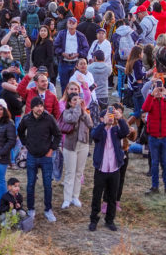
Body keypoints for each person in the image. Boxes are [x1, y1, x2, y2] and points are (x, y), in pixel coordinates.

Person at [17, 97, 62, 223]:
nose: (39, 108)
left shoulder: (49, 119)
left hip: (46, 157)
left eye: (41, 106)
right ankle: (31, 209)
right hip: (31, 156)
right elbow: (20, 131)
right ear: (32, 108)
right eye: (37, 106)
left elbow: (58, 135)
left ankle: (48, 209)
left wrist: (51, 150)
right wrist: (25, 144)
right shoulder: (26, 119)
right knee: (31, 184)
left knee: (47, 184)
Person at [88, 104, 130, 232]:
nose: (110, 118)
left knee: (112, 196)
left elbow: (126, 132)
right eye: (107, 116)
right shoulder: (99, 129)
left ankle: (110, 220)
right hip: (101, 169)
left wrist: (121, 118)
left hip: (114, 169)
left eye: (112, 115)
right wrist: (103, 124)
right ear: (102, 118)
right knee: (97, 195)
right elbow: (94, 136)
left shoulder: (116, 130)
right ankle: (94, 220)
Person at [60, 92, 93, 209]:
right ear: (69, 102)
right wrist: (78, 108)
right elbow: (73, 119)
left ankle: (75, 196)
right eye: (74, 100)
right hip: (70, 146)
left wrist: (83, 111)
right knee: (70, 172)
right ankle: (67, 199)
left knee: (79, 172)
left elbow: (90, 124)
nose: (77, 102)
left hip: (83, 144)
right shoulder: (66, 112)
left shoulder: (83, 111)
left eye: (78, 99)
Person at [142, 81, 166, 194]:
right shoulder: (151, 100)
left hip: (165, 138)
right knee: (155, 163)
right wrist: (151, 95)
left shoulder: (165, 101)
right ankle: (155, 187)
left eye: (160, 89)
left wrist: (165, 95)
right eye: (157, 89)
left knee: (165, 163)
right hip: (153, 137)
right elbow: (145, 108)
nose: (159, 91)